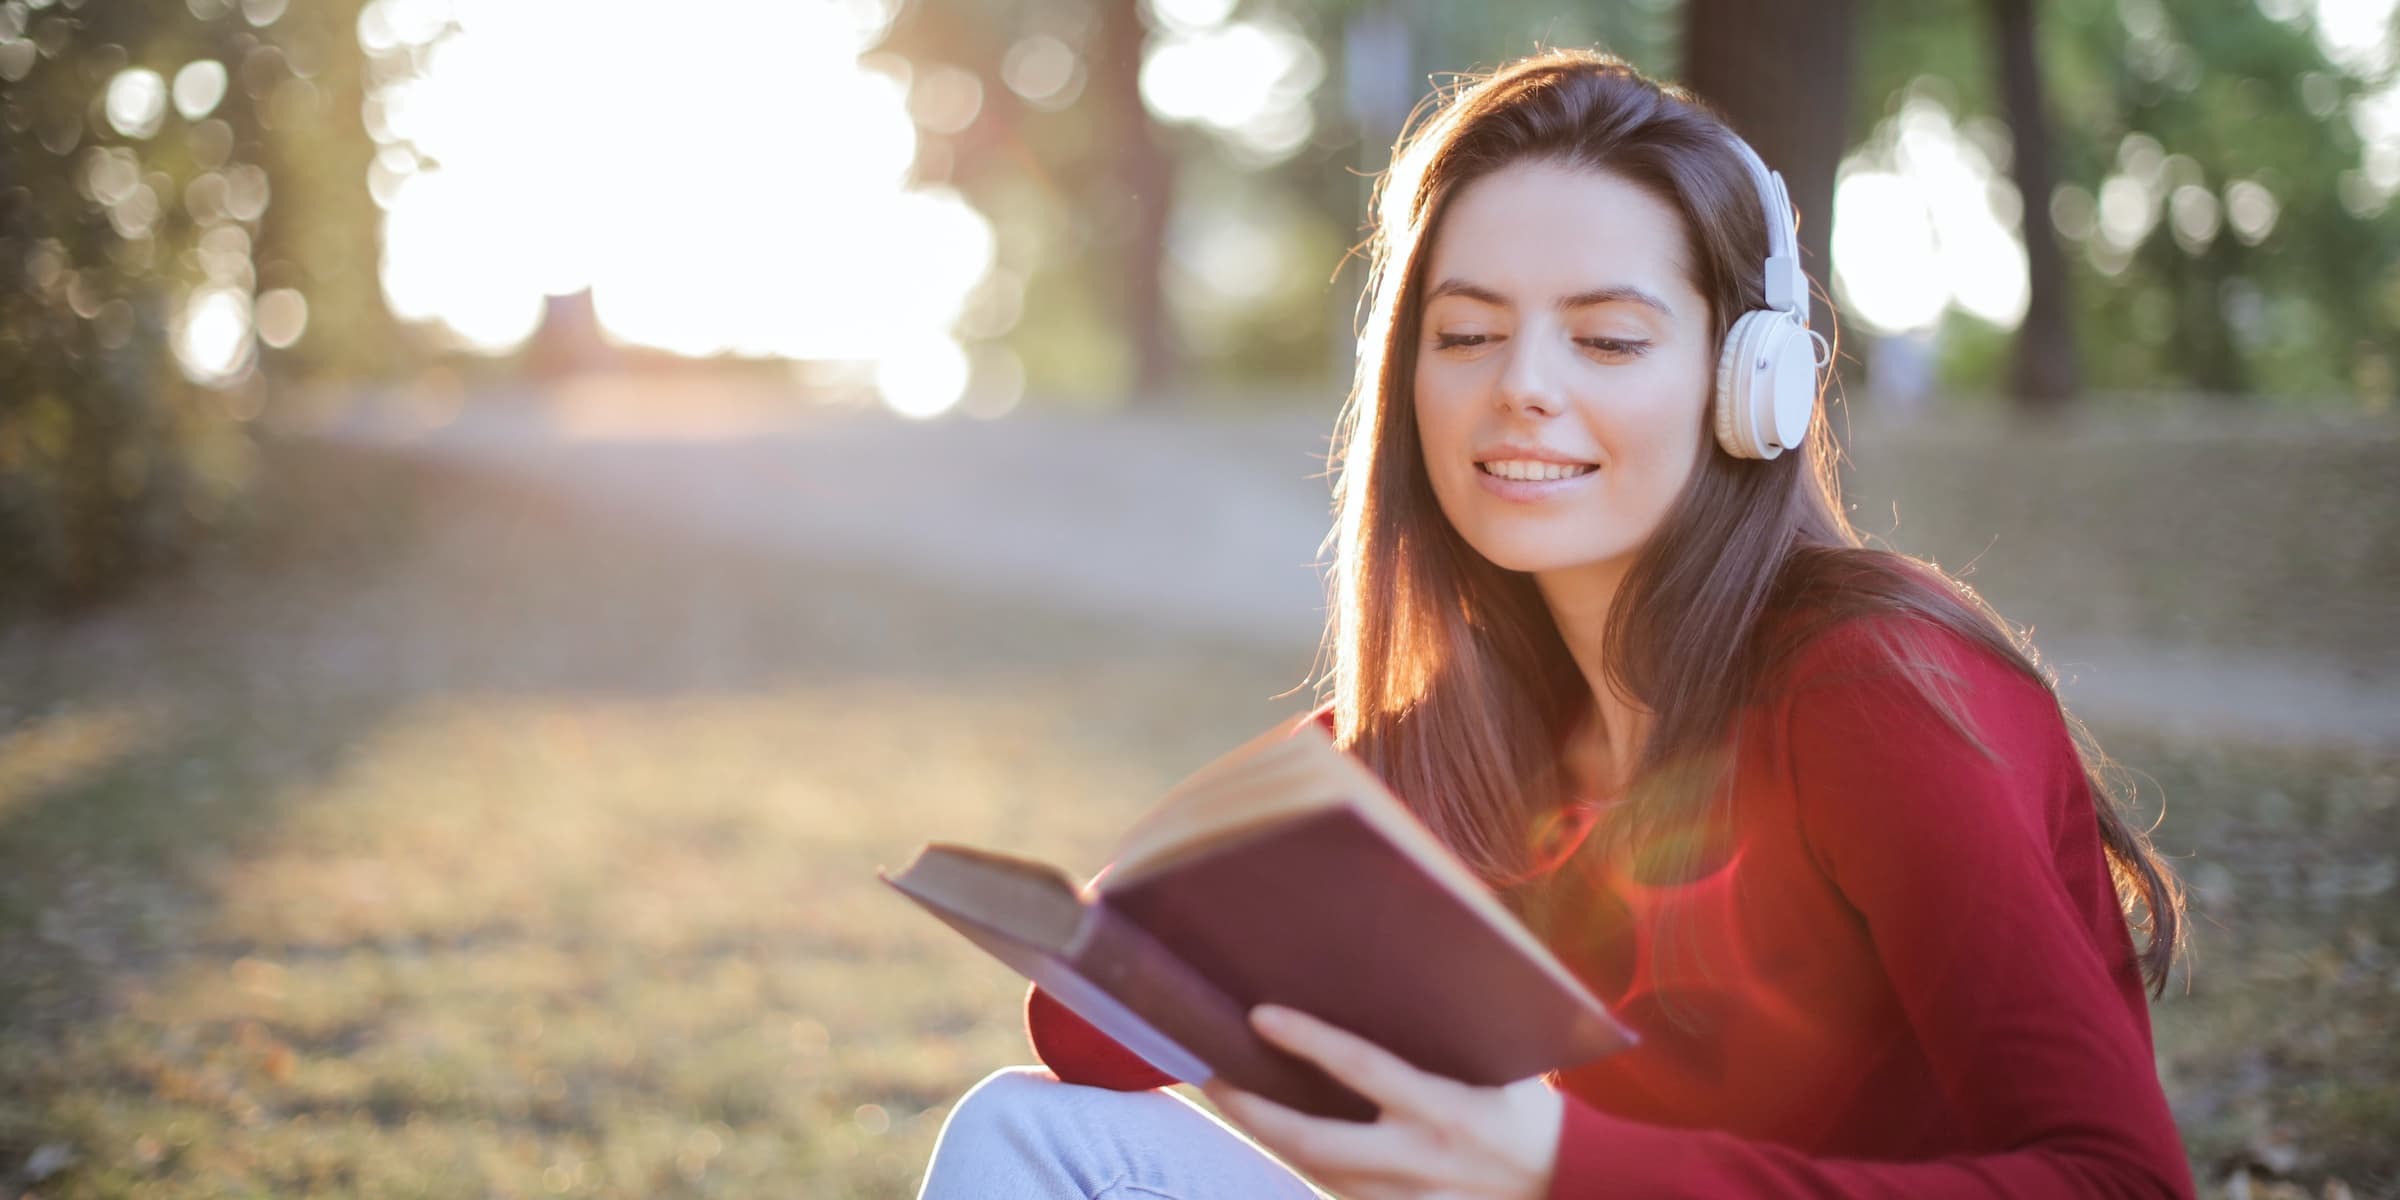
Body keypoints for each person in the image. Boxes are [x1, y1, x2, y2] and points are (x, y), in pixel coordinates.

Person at [916, 47, 2193, 1200]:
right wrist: (1350, 764)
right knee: (1026, 1135)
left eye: (1609, 340)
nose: (1522, 387)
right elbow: (1083, 1035)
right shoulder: (1483, 735)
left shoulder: (1875, 686)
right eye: (1466, 333)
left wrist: (1559, 1167)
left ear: (1752, 385)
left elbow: (2122, 1184)